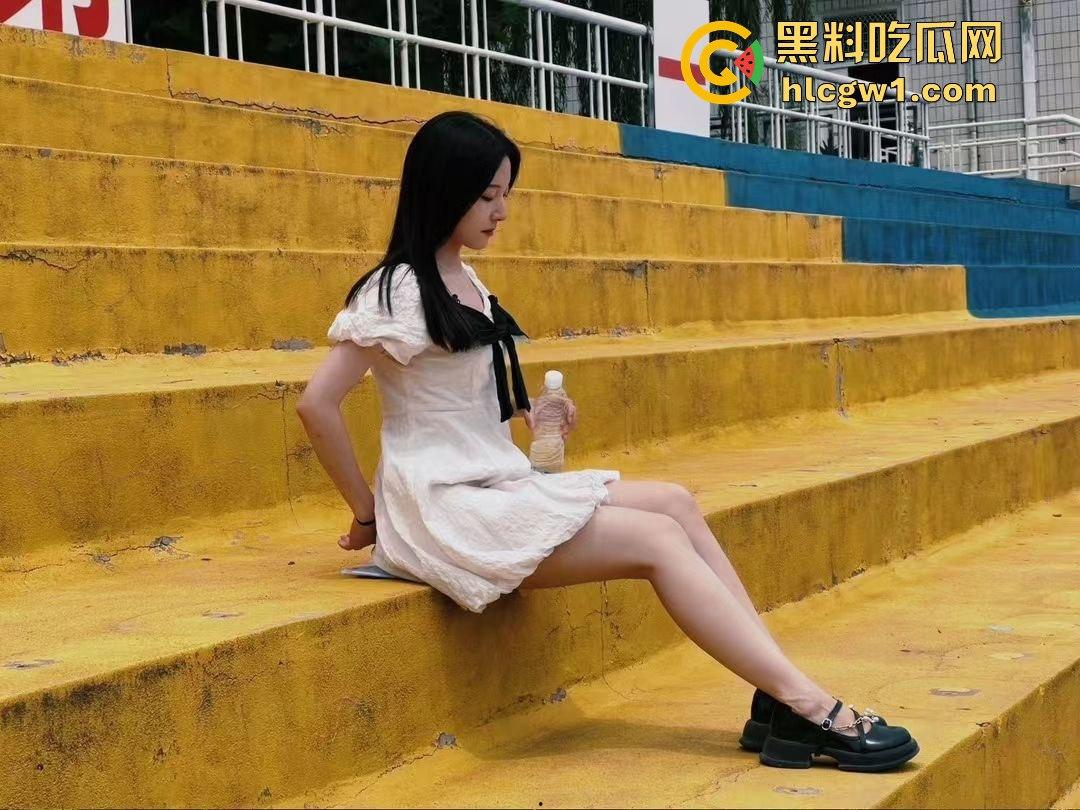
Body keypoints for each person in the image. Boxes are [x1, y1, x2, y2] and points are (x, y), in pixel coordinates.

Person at [296, 110, 918, 772]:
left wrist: (535, 415)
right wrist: (369, 513)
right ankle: (810, 706)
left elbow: (459, 394)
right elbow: (316, 404)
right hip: (443, 507)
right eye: (487, 196)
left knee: (675, 502)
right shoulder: (395, 289)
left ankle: (776, 696)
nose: (501, 211)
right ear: (444, 191)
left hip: (494, 484)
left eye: (505, 194)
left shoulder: (466, 278)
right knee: (658, 540)